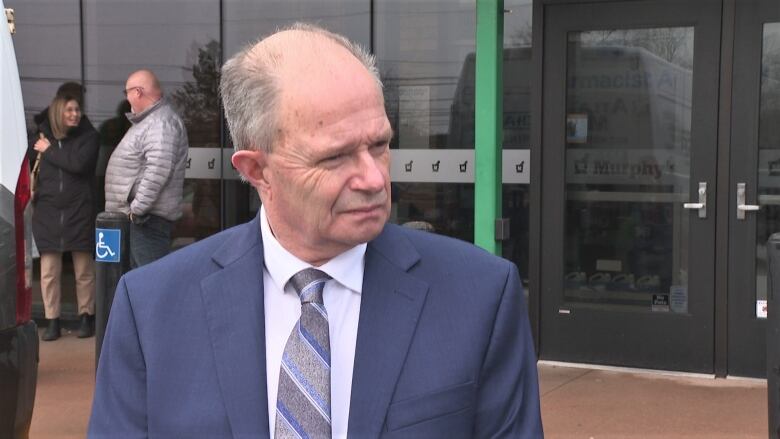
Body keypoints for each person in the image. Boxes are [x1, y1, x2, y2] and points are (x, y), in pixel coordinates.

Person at [89, 23, 543, 438]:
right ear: (257, 171)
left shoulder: (480, 296)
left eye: (379, 145)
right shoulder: (151, 309)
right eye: (335, 157)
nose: (374, 179)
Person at [103, 69, 188, 268]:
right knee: (138, 282)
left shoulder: (161, 123)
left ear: (138, 92)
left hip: (147, 221)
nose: (127, 99)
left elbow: (158, 170)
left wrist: (137, 209)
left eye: (127, 93)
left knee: (149, 283)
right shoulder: (150, 121)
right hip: (140, 219)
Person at [30, 95, 99, 341]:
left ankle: (86, 317)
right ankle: (52, 321)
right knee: (49, 273)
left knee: (84, 272)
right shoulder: (39, 139)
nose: (74, 114)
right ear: (58, 112)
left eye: (77, 109)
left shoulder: (88, 137)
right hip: (48, 216)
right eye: (69, 110)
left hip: (79, 213)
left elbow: (79, 165)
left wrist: (49, 151)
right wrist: (45, 147)